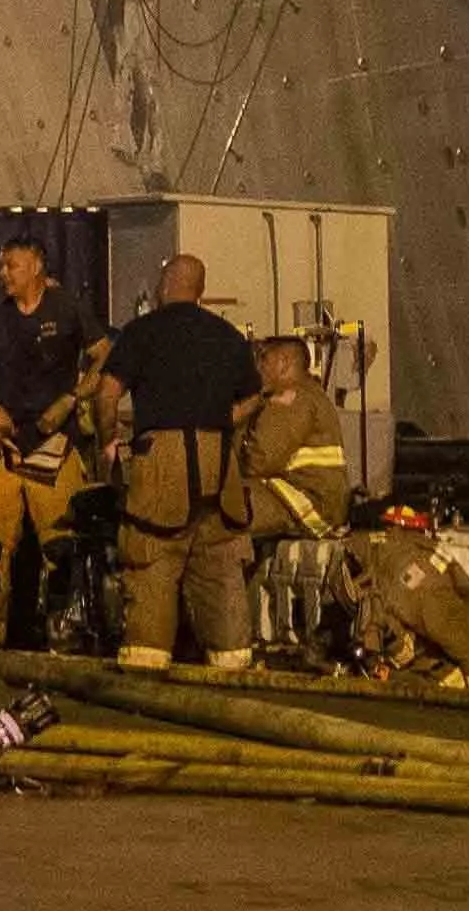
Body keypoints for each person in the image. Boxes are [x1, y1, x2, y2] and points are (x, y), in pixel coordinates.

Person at [102, 253, 262, 668]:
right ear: (201, 290)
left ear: (164, 286)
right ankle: (231, 662)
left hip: (162, 471)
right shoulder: (228, 336)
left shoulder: (141, 332)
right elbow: (252, 398)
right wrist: (218, 424)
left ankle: (148, 664)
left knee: (152, 561)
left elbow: (106, 395)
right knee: (221, 564)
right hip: (218, 470)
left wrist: (108, 441)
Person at [0, 239, 107, 651]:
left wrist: (72, 399)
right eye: (3, 266)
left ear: (38, 267)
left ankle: (66, 632)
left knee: (61, 544)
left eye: (14, 266)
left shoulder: (68, 309)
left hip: (55, 447)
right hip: (5, 444)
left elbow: (105, 357)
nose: (5, 274)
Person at [234, 331, 353, 662]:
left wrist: (244, 415)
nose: (258, 366)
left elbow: (258, 460)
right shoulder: (307, 396)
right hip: (299, 495)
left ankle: (229, 629)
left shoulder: (294, 398)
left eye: (264, 359)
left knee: (226, 512)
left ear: (285, 362)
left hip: (304, 500)